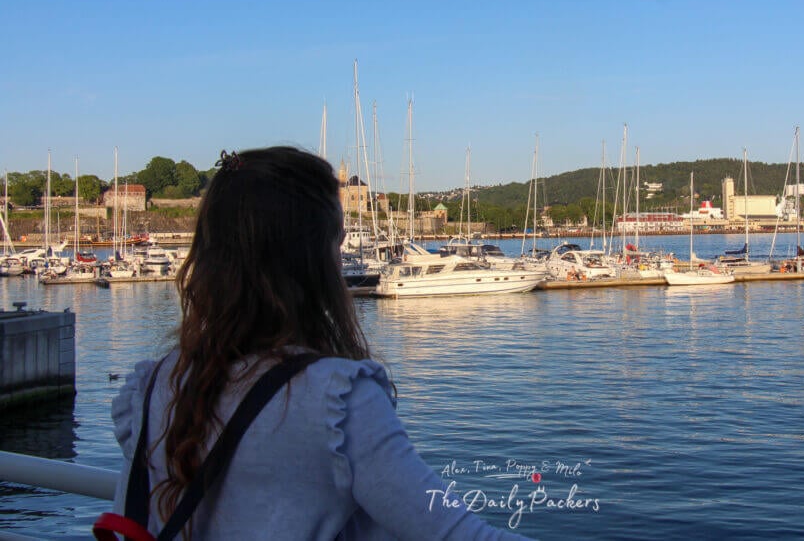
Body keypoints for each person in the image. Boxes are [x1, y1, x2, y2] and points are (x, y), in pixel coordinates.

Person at [111, 146, 532, 540]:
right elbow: (454, 534)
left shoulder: (153, 386)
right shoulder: (337, 400)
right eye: (338, 240)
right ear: (314, 260)